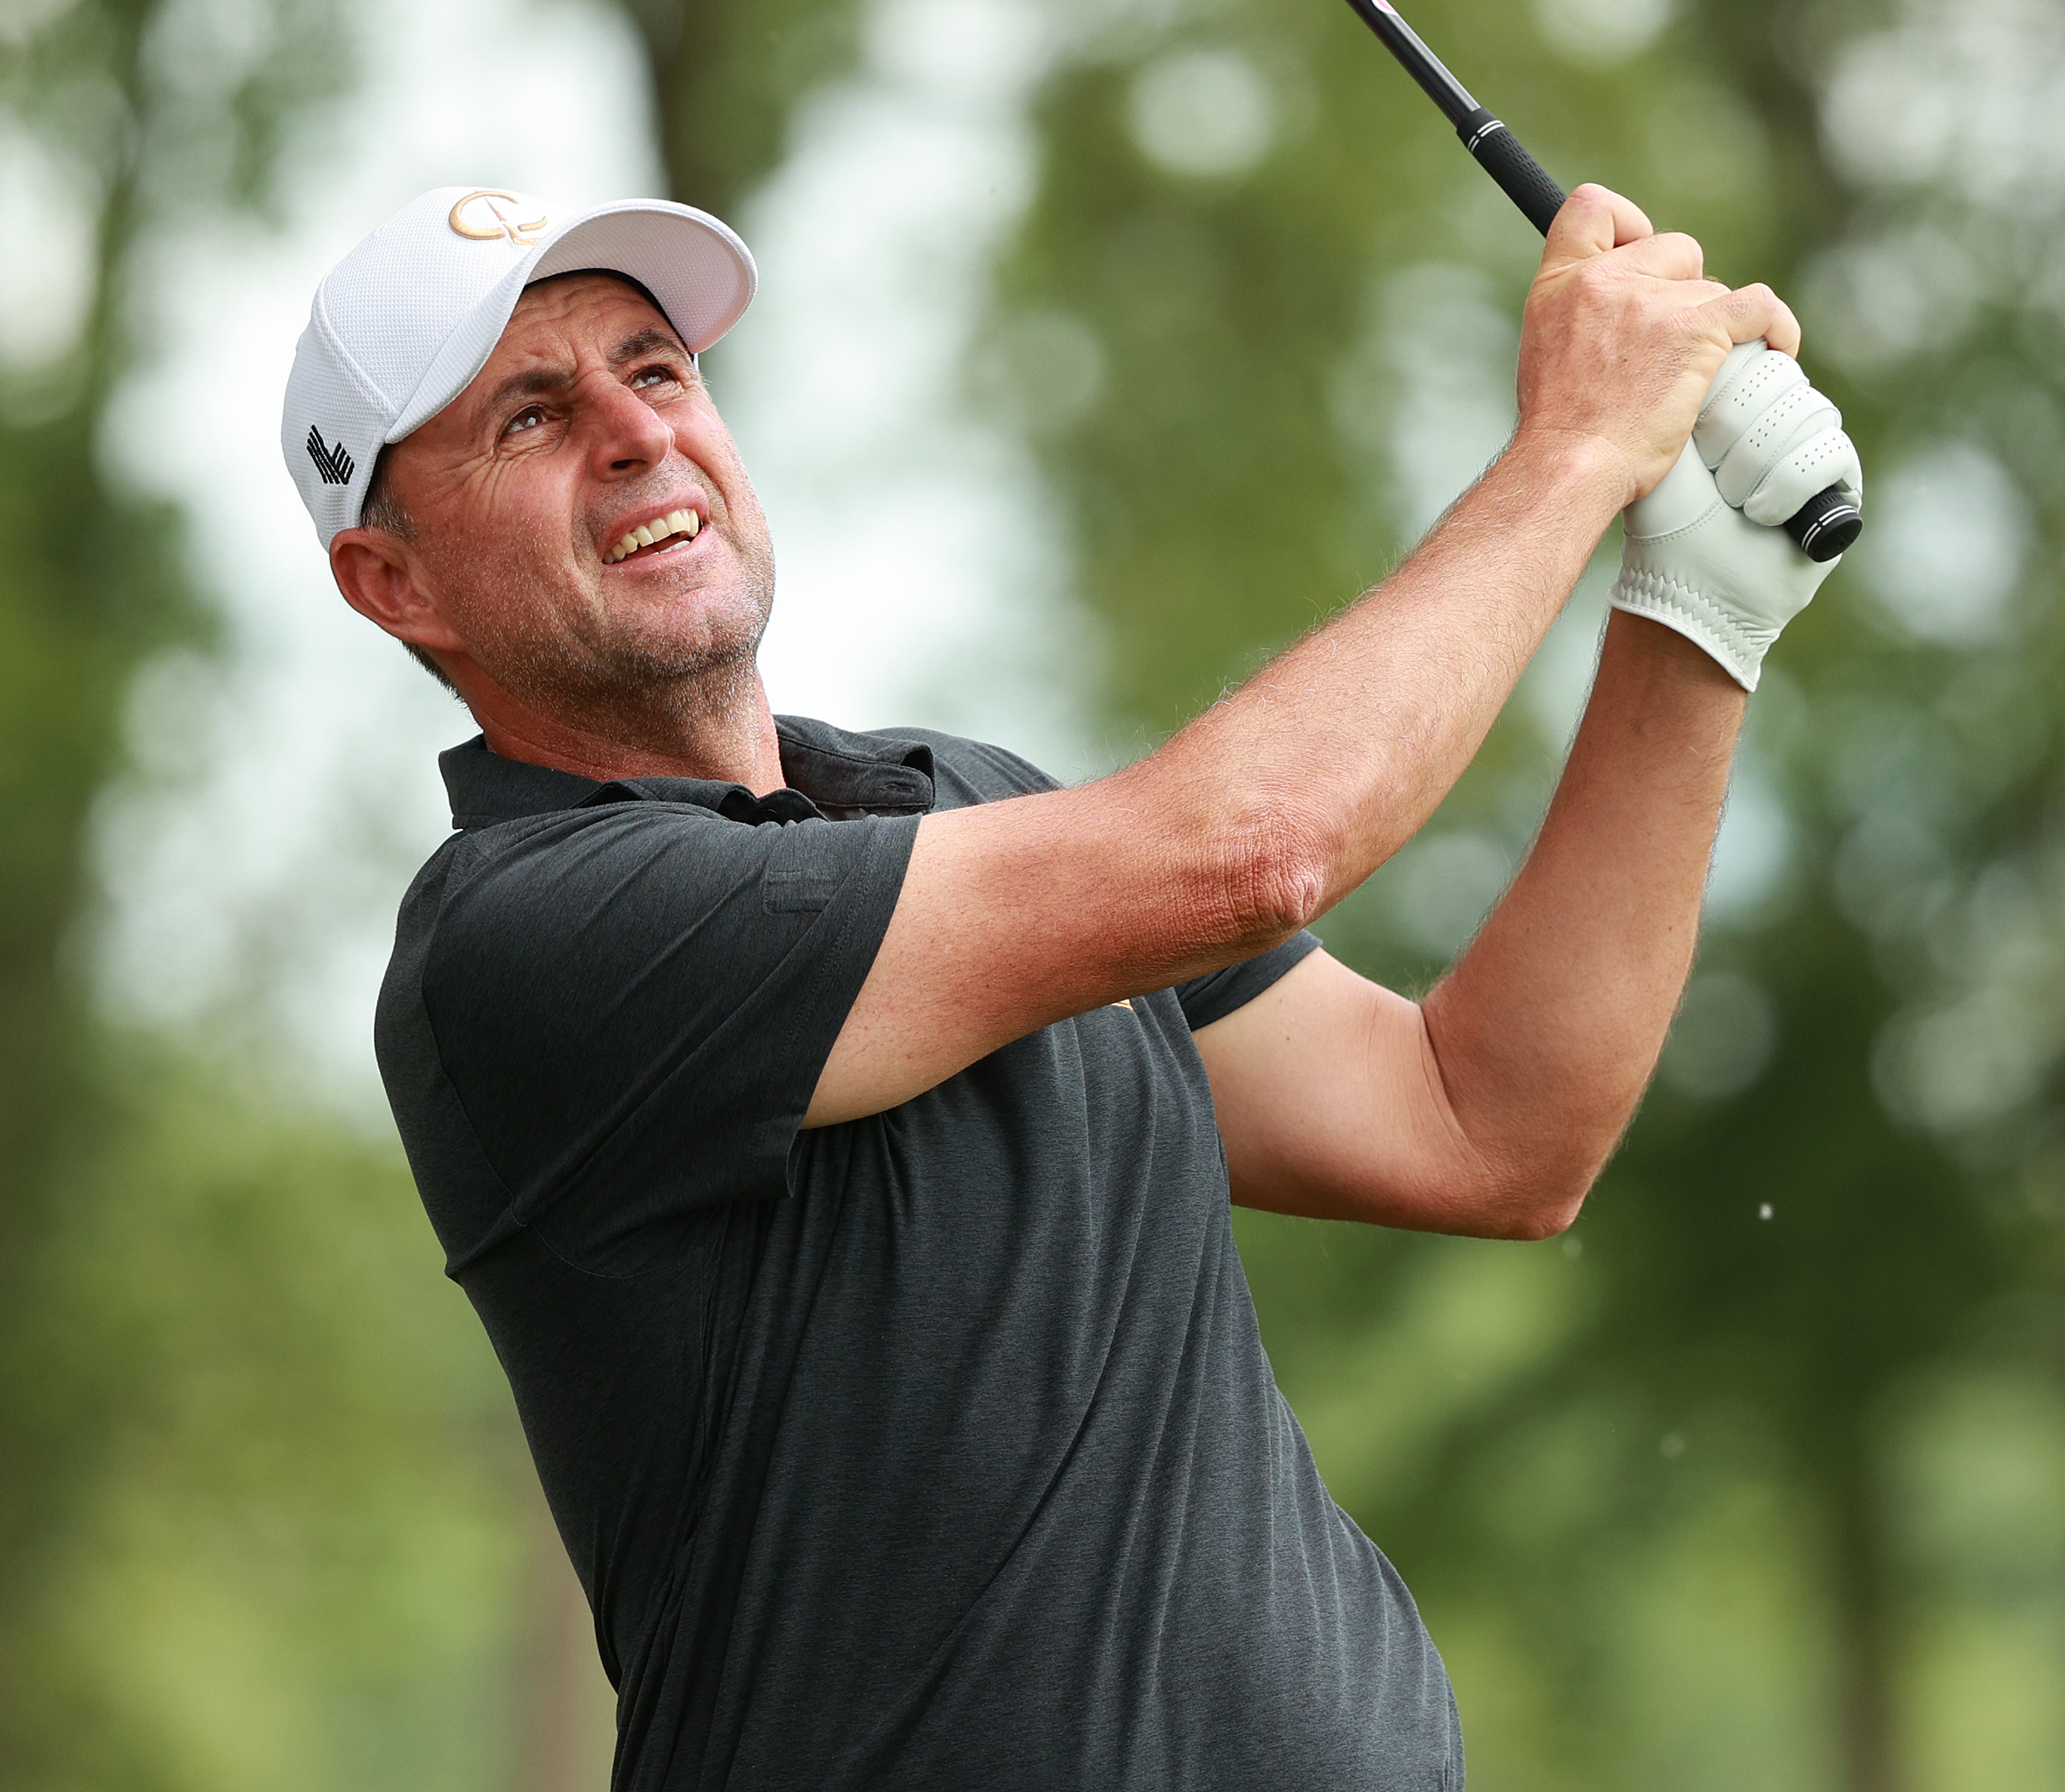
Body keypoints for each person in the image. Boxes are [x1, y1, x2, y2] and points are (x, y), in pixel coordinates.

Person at [284, 182, 1856, 1789]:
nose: (636, 434)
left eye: (657, 368)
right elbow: (1255, 850)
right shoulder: (528, 938)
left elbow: (1483, 1127)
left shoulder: (968, 806)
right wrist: (1577, 449)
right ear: (394, 583)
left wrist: (1699, 619)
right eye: (530, 417)